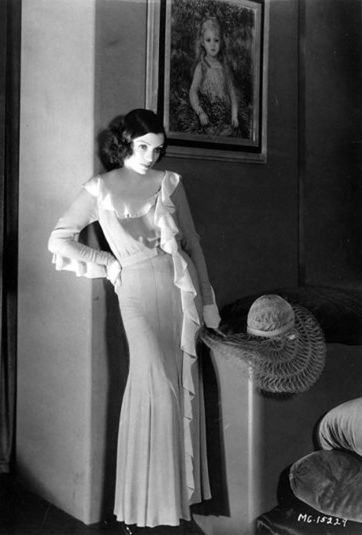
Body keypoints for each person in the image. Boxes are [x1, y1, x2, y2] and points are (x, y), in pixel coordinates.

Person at [48, 109, 221, 533]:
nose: (150, 156)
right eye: (143, 146)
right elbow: (60, 239)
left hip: (179, 289)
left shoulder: (169, 182)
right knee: (153, 386)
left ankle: (172, 507)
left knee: (178, 387)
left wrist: (208, 301)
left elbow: (192, 244)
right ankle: (140, 508)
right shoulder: (100, 188)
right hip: (135, 290)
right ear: (125, 143)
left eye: (157, 149)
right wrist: (108, 263)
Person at [189, 16, 239, 137]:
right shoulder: (202, 66)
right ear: (202, 42)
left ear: (221, 42)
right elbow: (193, 92)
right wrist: (200, 112)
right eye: (208, 40)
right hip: (208, 117)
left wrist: (234, 115)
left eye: (216, 40)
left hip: (224, 119)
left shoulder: (225, 68)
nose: (212, 44)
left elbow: (232, 93)